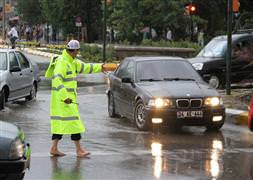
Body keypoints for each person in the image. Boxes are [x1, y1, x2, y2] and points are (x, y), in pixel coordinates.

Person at [45, 40, 115, 157]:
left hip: (65, 100)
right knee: (75, 123)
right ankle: (79, 150)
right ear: (74, 51)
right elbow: (56, 80)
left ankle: (54, 148)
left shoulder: (72, 61)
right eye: (77, 51)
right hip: (64, 100)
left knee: (60, 124)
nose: (78, 53)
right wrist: (65, 97)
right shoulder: (63, 62)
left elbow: (86, 67)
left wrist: (102, 67)